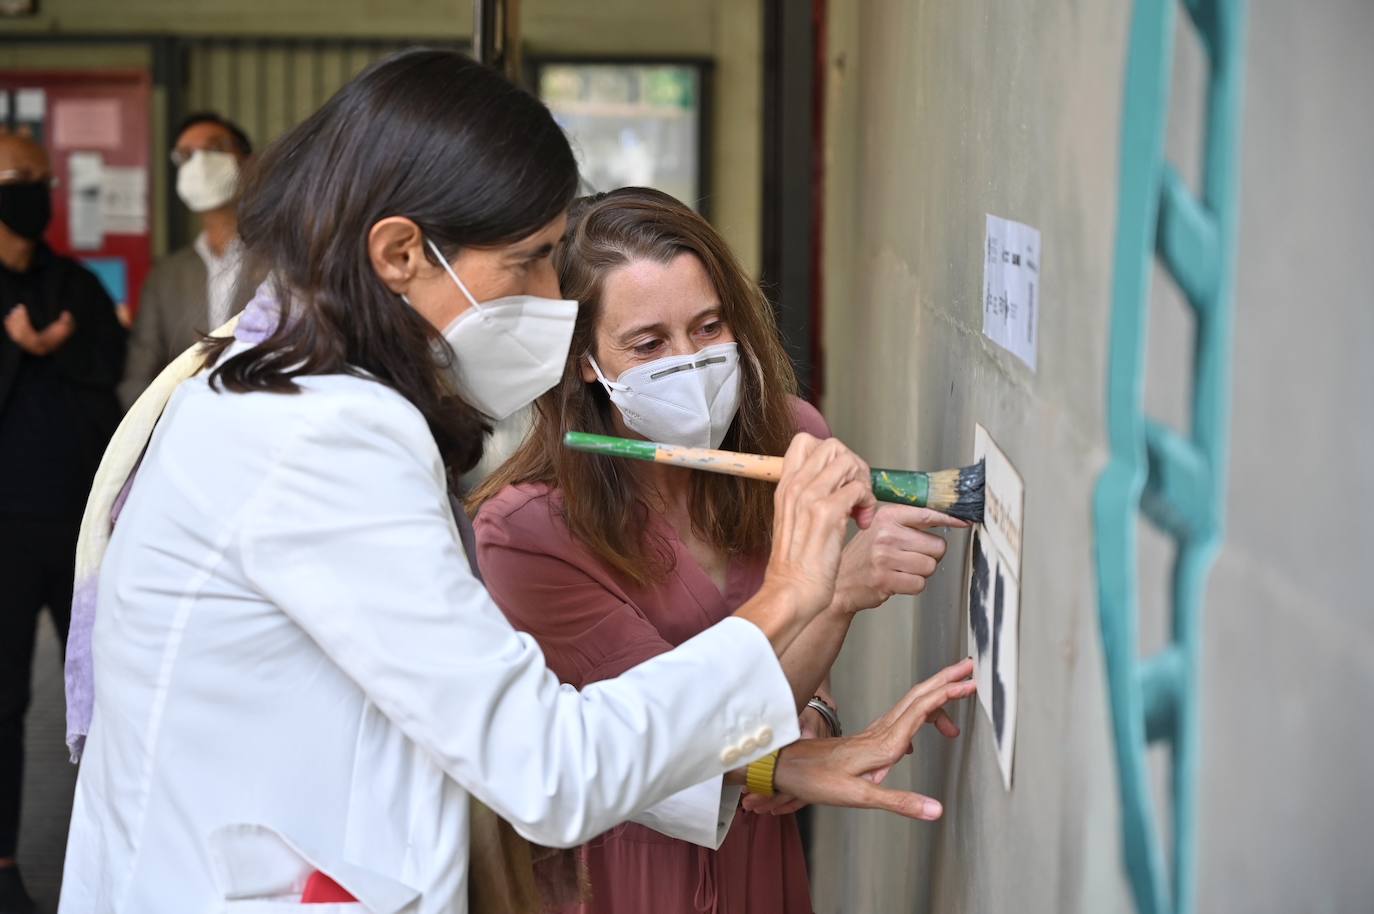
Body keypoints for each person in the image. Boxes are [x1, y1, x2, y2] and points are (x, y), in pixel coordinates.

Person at [57, 50, 973, 914]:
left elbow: (479, 727)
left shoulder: (284, 388)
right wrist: (792, 597)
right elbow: (545, 766)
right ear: (400, 254)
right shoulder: (324, 438)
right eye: (528, 260)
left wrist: (770, 769)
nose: (551, 298)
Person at [469, 187, 968, 914]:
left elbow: (787, 702)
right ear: (583, 361)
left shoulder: (791, 441)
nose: (690, 362)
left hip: (760, 860)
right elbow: (682, 741)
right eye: (647, 343)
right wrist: (837, 591)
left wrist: (815, 727)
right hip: (626, 872)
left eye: (708, 327)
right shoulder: (526, 533)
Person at [0, 132, 126, 914]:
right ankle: (5, 860)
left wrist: (49, 346)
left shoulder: (76, 282)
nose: (33, 192)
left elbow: (108, 370)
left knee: (108, 691)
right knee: (5, 700)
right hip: (3, 529)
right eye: (16, 179)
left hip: (81, 527)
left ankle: (114, 848)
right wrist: (27, 351)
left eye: (40, 180)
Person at [117, 112, 261, 409]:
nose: (200, 163)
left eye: (215, 148)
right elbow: (138, 377)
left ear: (248, 161)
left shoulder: (285, 260)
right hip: (184, 432)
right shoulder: (166, 276)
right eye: (186, 155)